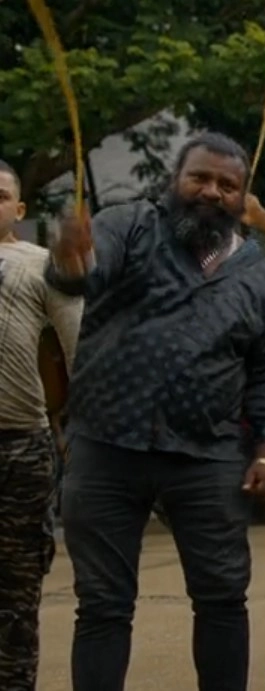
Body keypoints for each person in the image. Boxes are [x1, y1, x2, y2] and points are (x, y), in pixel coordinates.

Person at [45, 127, 265, 688]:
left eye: (227, 185)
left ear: (242, 198)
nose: (212, 191)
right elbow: (80, 275)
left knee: (222, 598)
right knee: (103, 604)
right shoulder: (129, 226)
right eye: (199, 177)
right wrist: (71, 260)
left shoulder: (257, 272)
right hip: (106, 447)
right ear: (174, 179)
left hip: (208, 456)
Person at [0, 159, 81, 691]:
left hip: (19, 449)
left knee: (15, 594)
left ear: (19, 209)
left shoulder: (42, 266)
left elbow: (80, 351)